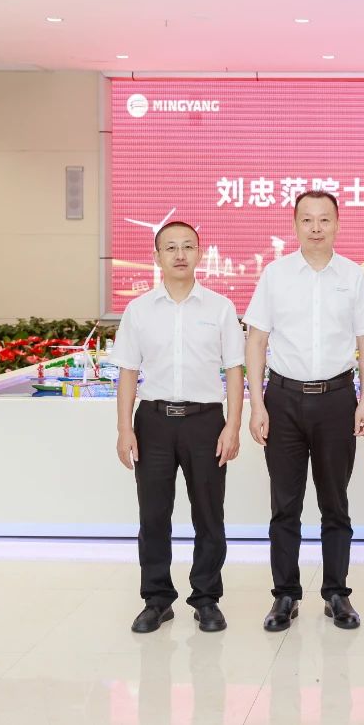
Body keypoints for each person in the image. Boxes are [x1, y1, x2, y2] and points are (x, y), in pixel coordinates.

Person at [243, 190, 364, 632]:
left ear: (337, 224)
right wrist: (257, 404)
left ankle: (337, 593)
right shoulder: (275, 274)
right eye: (307, 220)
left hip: (337, 400)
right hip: (282, 400)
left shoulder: (352, 276)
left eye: (324, 219)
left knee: (335, 504)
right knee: (284, 504)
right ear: (295, 225)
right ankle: (284, 595)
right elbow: (256, 340)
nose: (316, 228)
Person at [110, 220, 245, 633]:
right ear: (157, 257)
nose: (180, 254)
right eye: (170, 247)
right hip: (152, 423)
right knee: (153, 515)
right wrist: (124, 429)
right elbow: (128, 372)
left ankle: (206, 599)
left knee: (209, 515)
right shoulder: (138, 310)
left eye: (188, 246)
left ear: (200, 254)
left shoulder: (220, 308)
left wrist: (233, 426)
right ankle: (156, 599)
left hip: (206, 422)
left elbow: (235, 370)